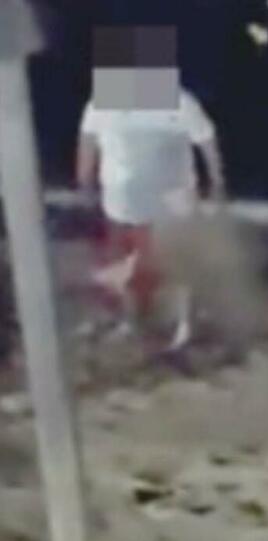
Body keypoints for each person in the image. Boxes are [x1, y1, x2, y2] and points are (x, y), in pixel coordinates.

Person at [76, 28, 226, 350]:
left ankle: (184, 324)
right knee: (123, 261)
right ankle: (130, 321)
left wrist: (216, 181)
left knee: (178, 260)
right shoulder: (102, 102)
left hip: (173, 196)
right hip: (122, 199)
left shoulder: (180, 102)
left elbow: (206, 140)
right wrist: (84, 179)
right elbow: (88, 141)